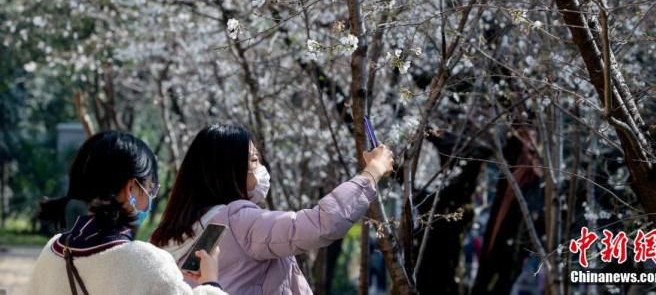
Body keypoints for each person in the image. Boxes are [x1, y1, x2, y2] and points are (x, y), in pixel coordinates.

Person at [151, 123, 394, 294]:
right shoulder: (240, 221)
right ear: (228, 171)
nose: (260, 168)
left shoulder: (170, 232)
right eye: (253, 160)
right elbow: (322, 224)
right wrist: (372, 172)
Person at [27, 131, 226, 295]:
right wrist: (210, 281)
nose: (151, 197)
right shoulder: (148, 262)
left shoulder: (52, 252)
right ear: (131, 188)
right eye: (150, 188)